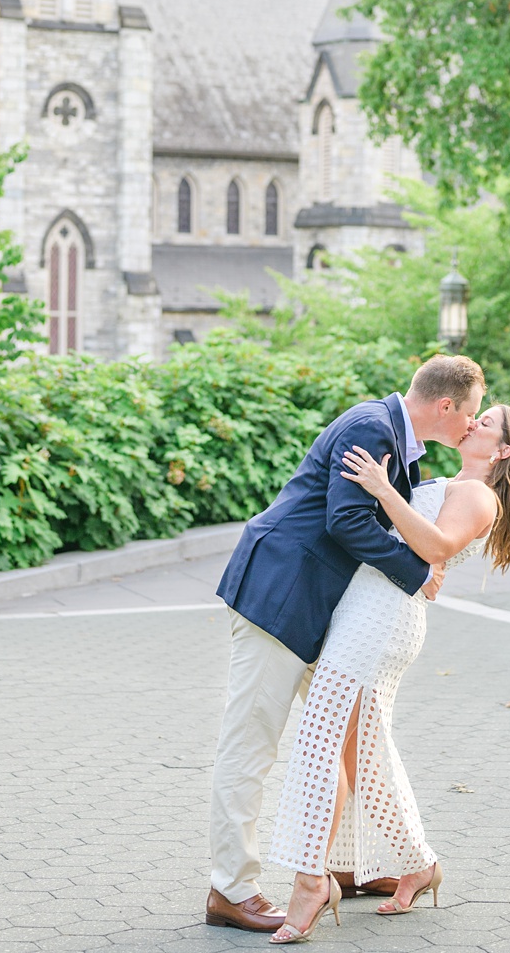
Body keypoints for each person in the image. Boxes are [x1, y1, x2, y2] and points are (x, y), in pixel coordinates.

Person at [201, 353, 487, 933]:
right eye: (472, 413)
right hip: (279, 598)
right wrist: (419, 572)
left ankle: (345, 868)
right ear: (446, 405)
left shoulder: (396, 442)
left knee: (354, 738)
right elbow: (346, 521)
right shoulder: (371, 429)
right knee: (251, 746)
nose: (471, 426)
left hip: (318, 612)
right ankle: (230, 890)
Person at [262, 402, 510, 941]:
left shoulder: (480, 496)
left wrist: (382, 488)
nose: (475, 421)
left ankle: (309, 883)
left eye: (488, 422)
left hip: (383, 620)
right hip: (366, 609)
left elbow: (435, 545)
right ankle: (415, 863)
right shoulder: (451, 482)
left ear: (502, 450)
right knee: (359, 751)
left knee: (320, 739)